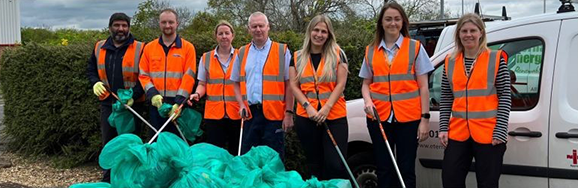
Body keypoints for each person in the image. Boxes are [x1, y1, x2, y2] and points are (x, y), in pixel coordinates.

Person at [359, 2, 433, 188]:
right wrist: (367, 101)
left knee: (406, 168)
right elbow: (365, 84)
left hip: (408, 119)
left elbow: (424, 87)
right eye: (388, 19)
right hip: (379, 118)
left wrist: (424, 119)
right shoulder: (370, 51)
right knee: (384, 168)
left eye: (397, 19)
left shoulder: (415, 48)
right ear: (381, 23)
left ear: (403, 22)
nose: (393, 23)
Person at [439, 13, 511, 188]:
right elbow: (446, 97)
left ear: (481, 33)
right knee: (450, 179)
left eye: (473, 30)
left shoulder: (496, 59)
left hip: (489, 133)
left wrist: (500, 130)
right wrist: (443, 128)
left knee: (488, 183)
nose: (468, 34)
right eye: (464, 31)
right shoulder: (450, 61)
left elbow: (505, 97)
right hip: (458, 132)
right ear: (458, 34)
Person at [86, 12, 145, 182]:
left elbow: (146, 76)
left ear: (129, 28)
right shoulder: (99, 47)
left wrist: (134, 95)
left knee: (130, 145)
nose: (121, 29)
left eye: (124, 25)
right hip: (108, 104)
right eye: (117, 25)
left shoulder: (141, 48)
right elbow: (91, 70)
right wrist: (95, 82)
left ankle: (129, 179)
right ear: (110, 27)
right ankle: (108, 179)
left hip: (132, 106)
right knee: (109, 144)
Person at [288, 15, 349, 180]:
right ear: (309, 31)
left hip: (334, 115)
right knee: (314, 164)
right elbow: (294, 86)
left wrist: (327, 108)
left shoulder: (338, 54)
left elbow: (341, 84)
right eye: (316, 30)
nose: (319, 34)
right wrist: (308, 107)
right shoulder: (297, 57)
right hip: (307, 116)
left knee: (335, 164)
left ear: (329, 34)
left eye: (324, 31)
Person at [230, 12, 294, 158]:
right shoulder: (241, 52)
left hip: (275, 116)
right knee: (249, 160)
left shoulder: (282, 51)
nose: (258, 29)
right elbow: (235, 83)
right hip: (250, 115)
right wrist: (241, 104)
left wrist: (289, 113)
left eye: (261, 26)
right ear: (249, 29)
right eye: (254, 26)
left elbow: (289, 84)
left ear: (268, 27)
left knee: (274, 161)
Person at [139, 8, 197, 139]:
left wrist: (179, 103)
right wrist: (152, 94)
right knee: (156, 144)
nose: (167, 25)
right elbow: (143, 74)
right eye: (164, 22)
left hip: (177, 106)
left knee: (178, 146)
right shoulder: (149, 48)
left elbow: (189, 76)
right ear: (159, 24)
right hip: (156, 104)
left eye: (171, 22)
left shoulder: (188, 48)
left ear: (177, 23)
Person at [189, 20, 242, 155]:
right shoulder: (206, 58)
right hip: (214, 115)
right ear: (216, 36)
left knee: (236, 153)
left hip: (237, 113)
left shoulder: (241, 56)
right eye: (220, 33)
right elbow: (202, 84)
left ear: (232, 35)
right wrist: (197, 94)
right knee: (214, 154)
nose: (224, 36)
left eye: (227, 33)